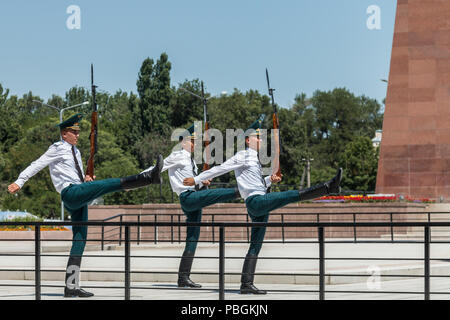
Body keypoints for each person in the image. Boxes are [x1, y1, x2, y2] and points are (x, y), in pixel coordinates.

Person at [7, 113, 163, 298]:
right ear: (64, 134)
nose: (77, 135)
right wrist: (20, 181)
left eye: (78, 132)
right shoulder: (57, 148)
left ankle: (71, 286)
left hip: (78, 191)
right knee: (106, 185)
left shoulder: (77, 152)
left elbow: (74, 175)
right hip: (70, 193)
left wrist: (86, 179)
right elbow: (37, 164)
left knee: (80, 240)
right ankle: (145, 178)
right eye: (74, 132)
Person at [184, 115, 342, 294]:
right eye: (257, 137)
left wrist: (269, 180)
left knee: (256, 243)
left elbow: (255, 184)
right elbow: (219, 169)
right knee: (288, 196)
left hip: (259, 199)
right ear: (247, 139)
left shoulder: (255, 159)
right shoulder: (242, 155)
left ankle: (246, 284)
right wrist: (196, 179)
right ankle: (328, 187)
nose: (260, 140)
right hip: (255, 202)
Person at [143, 124, 239, 288]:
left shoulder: (191, 161)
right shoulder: (177, 155)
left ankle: (183, 278)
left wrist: (202, 182)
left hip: (194, 197)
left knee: (192, 239)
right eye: (192, 141)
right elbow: (157, 168)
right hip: (187, 197)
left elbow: (194, 183)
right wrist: (136, 178)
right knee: (215, 195)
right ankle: (240, 190)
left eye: (196, 141)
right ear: (183, 142)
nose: (195, 144)